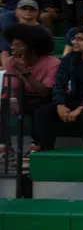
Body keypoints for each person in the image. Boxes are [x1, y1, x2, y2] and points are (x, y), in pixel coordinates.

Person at [2, 23, 59, 151]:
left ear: (32, 48)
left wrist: (24, 71)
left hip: (47, 98)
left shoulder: (52, 63)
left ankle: (38, 145)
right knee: (3, 103)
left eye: (19, 45)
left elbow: (44, 92)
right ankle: (4, 145)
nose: (13, 48)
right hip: (23, 96)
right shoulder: (11, 61)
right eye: (12, 44)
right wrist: (12, 99)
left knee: (40, 108)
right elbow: (9, 85)